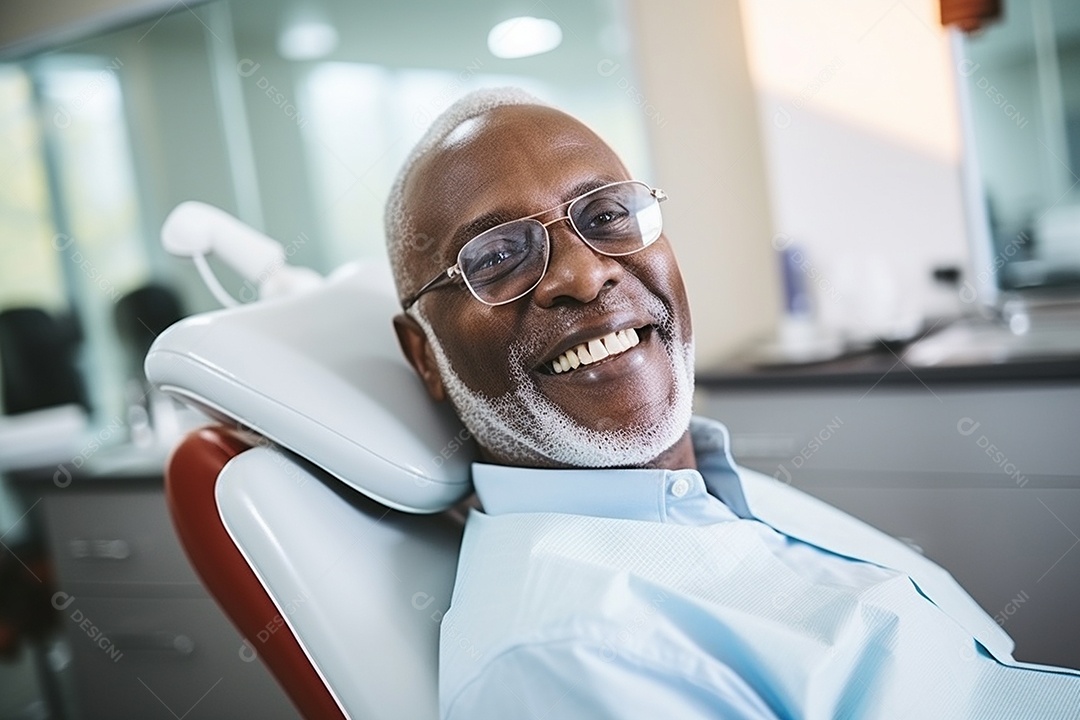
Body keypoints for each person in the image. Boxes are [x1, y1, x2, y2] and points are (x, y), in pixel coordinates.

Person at [386, 87, 1080, 719]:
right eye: (497, 257)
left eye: (605, 215)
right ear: (425, 356)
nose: (584, 271)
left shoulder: (708, 487)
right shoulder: (562, 658)